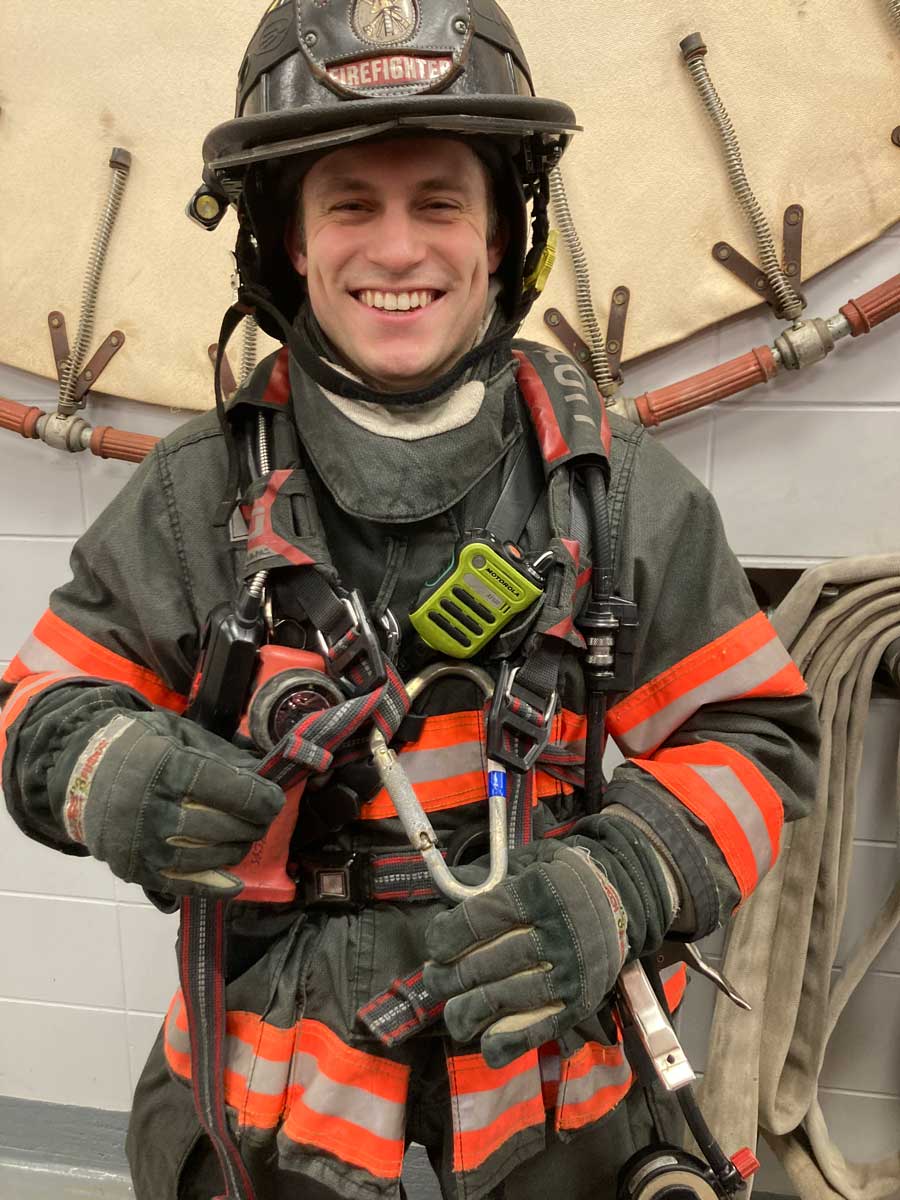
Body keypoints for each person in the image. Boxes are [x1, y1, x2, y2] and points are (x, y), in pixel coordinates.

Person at [0, 2, 819, 1198]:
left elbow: (753, 735)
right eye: (350, 204)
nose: (398, 251)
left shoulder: (623, 495)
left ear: (502, 238)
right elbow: (37, 712)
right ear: (284, 241)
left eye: (439, 201)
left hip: (556, 1070)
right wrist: (114, 771)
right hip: (270, 1093)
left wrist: (621, 881)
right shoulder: (189, 501)